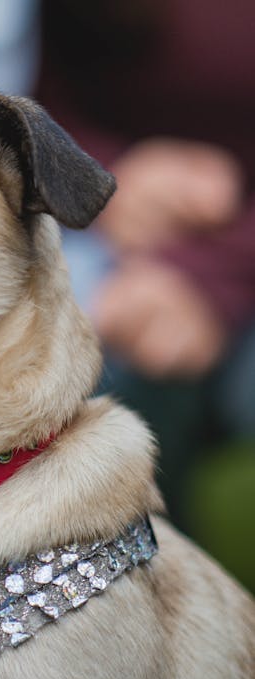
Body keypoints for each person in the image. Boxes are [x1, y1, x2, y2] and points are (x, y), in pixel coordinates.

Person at [35, 0, 255, 530]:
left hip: (217, 258)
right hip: (118, 251)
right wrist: (110, 176)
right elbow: (22, 85)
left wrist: (206, 271)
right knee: (115, 373)